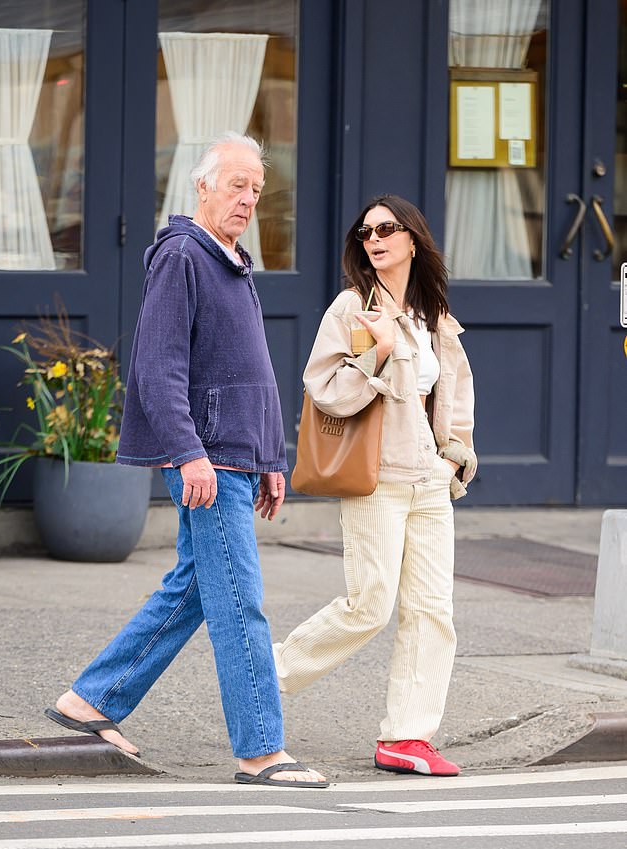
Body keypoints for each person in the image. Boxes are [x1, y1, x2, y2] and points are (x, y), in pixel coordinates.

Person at [45, 132, 328, 789]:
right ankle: (260, 749)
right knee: (240, 601)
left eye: (257, 189)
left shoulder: (231, 261)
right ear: (202, 187)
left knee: (196, 590)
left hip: (235, 458)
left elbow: (247, 372)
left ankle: (92, 699)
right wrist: (186, 450)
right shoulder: (182, 255)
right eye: (236, 185)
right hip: (206, 462)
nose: (248, 199)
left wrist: (270, 456)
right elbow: (158, 367)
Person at [274, 194, 477, 777]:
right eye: (366, 233)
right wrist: (380, 354)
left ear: (413, 237)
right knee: (370, 605)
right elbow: (325, 389)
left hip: (430, 483)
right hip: (378, 479)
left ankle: (407, 737)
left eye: (387, 229)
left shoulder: (433, 310)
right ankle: (264, 677)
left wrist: (455, 451)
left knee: (433, 612)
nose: (375, 239)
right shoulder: (351, 308)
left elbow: (455, 385)